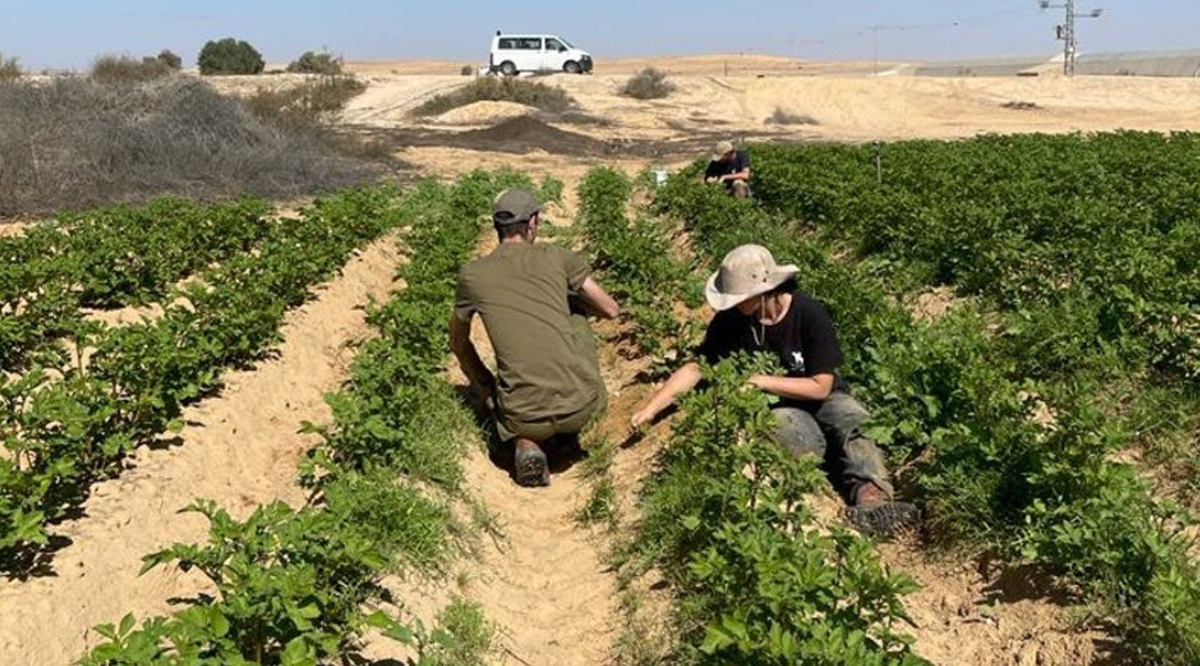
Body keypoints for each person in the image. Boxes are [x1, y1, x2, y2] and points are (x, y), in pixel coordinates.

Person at [630, 244, 919, 536]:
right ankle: (821, 490)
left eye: (737, 298)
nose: (730, 305)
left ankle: (872, 499)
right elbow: (697, 368)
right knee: (799, 436)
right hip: (780, 408)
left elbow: (821, 387)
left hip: (824, 396)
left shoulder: (809, 314)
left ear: (761, 291)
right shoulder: (731, 321)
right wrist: (651, 409)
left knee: (852, 419)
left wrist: (760, 380)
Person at [451, 188, 620, 487]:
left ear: (496, 227)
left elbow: (458, 343)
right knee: (576, 312)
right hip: (580, 407)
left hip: (520, 416)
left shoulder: (472, 275)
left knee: (517, 395)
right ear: (532, 223)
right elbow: (610, 309)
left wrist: (485, 386)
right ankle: (567, 434)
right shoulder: (559, 258)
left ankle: (526, 445)